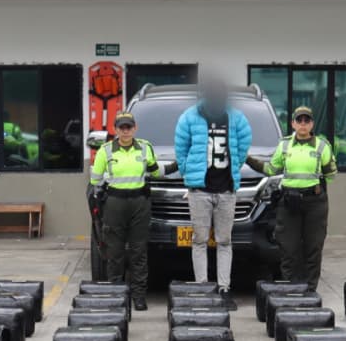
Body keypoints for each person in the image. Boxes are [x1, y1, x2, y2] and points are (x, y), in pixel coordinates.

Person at [174, 78, 252, 309]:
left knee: (225, 241)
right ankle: (202, 287)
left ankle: (224, 288)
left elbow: (244, 144)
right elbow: (181, 147)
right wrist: (187, 172)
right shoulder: (189, 117)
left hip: (227, 190)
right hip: (200, 190)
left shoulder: (236, 117)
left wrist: (234, 168)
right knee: (199, 241)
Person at [247, 106, 337, 291]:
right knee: (288, 248)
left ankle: (310, 289)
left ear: (312, 124)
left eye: (307, 121)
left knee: (313, 248)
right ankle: (290, 287)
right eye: (299, 120)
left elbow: (330, 174)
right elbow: (271, 170)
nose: (303, 124)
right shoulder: (285, 145)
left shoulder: (322, 146)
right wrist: (248, 160)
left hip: (314, 204)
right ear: (293, 124)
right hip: (289, 203)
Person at [89, 112, 163, 311]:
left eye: (129, 127)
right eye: (121, 127)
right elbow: (95, 180)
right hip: (115, 203)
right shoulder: (106, 151)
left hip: (139, 203)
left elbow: (155, 171)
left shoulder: (145, 147)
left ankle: (139, 296)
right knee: (115, 252)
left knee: (139, 252)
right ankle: (116, 295)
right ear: (115, 129)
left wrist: (174, 166)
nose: (125, 131)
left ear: (135, 128)